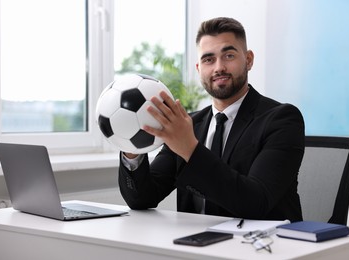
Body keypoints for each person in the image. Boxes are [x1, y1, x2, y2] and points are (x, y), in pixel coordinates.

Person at [118, 17, 305, 221]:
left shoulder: (282, 120)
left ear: (249, 60)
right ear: (199, 68)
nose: (219, 68)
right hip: (195, 246)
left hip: (263, 247)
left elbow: (255, 203)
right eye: (208, 59)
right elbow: (142, 199)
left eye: (229, 55)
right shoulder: (191, 124)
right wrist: (132, 147)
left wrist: (190, 148)